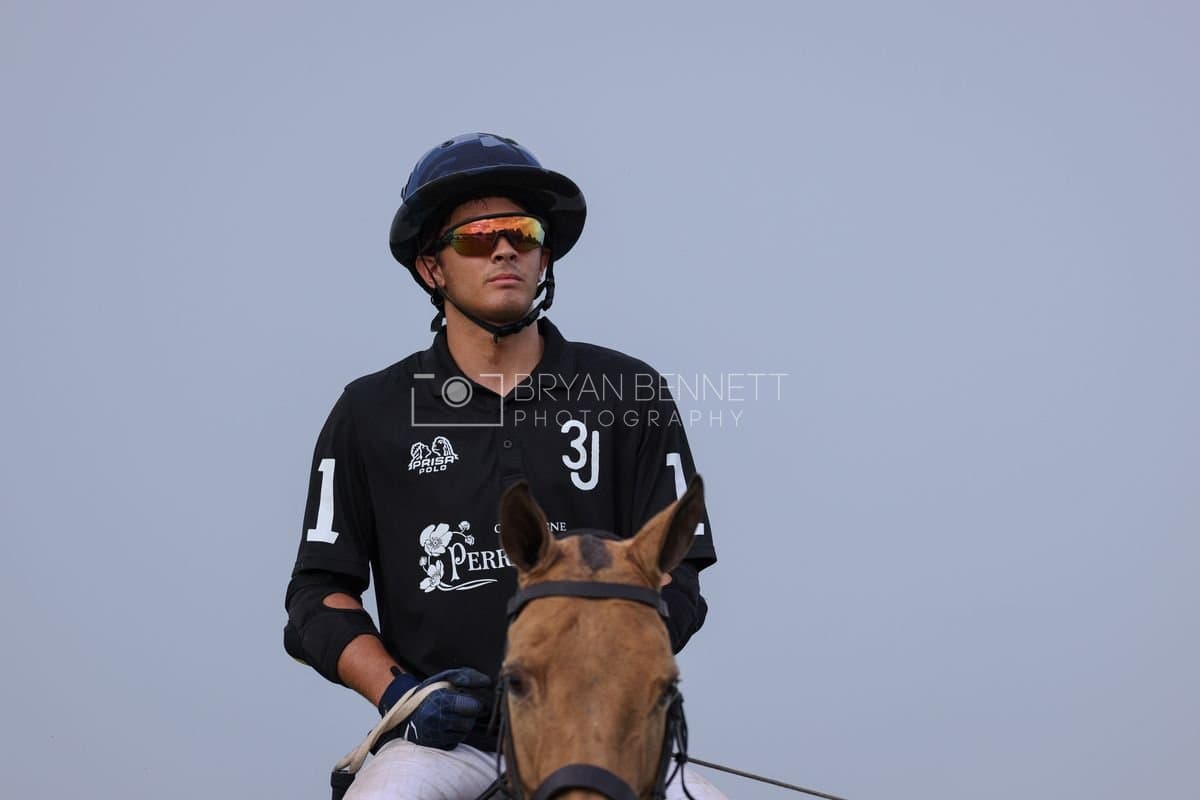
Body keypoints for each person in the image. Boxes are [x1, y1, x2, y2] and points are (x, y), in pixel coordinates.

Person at [284, 132, 722, 800]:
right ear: (432, 267)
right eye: (476, 237)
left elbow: (679, 571)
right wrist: (401, 695)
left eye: (522, 231)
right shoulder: (368, 412)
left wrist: (609, 670)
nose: (504, 250)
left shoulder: (629, 393)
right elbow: (320, 598)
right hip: (446, 746)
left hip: (605, 739)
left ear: (544, 253)